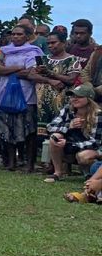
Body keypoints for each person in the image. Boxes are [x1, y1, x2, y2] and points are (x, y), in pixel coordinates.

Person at [0, 22, 43, 172]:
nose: (15, 36)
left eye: (19, 34)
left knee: (29, 131)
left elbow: (31, 72)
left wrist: (6, 70)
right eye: (13, 34)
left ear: (27, 36)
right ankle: (11, 162)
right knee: (7, 129)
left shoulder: (34, 51)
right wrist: (18, 68)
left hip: (26, 95)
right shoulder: (4, 51)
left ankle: (29, 164)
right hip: (5, 94)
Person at [32, 30, 83, 168]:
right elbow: (32, 75)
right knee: (44, 135)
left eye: (53, 42)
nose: (50, 46)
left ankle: (62, 166)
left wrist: (49, 73)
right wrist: (50, 81)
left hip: (63, 103)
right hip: (43, 103)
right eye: (48, 43)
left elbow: (71, 79)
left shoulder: (73, 60)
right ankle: (48, 164)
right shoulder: (44, 59)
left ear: (64, 43)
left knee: (62, 132)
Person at [45, 83, 101, 182]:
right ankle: (58, 172)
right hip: (73, 145)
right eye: (72, 96)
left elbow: (96, 143)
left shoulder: (97, 114)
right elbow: (50, 127)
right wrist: (69, 126)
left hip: (94, 149)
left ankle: (89, 175)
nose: (74, 99)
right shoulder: (68, 109)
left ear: (89, 99)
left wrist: (69, 144)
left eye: (79, 97)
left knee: (83, 156)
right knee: (55, 137)